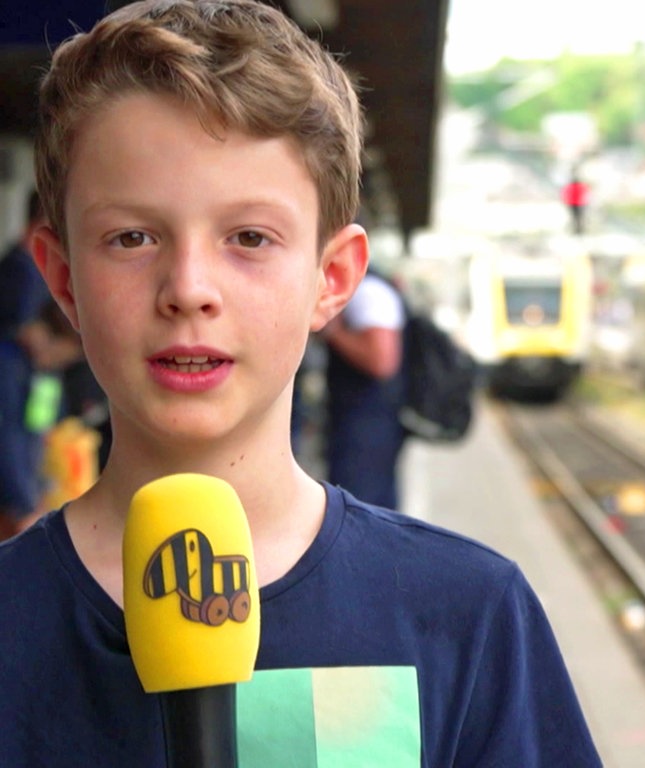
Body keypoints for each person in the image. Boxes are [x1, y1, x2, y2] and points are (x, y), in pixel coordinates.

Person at [0, 2, 602, 765]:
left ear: (333, 278)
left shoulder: (467, 614)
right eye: (132, 238)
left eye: (249, 238)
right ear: (61, 277)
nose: (189, 288)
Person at [0, 191, 74, 540]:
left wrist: (41, 490)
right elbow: (8, 436)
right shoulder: (10, 362)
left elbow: (41, 429)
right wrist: (23, 504)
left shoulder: (47, 374)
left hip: (27, 497)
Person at [322, 266, 407, 508]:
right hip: (370, 420)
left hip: (366, 424)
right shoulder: (374, 287)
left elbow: (382, 361)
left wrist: (334, 333)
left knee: (359, 508)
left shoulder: (367, 292)